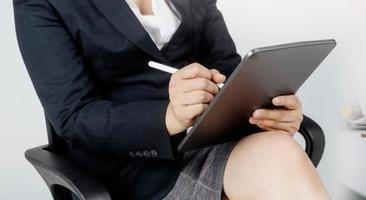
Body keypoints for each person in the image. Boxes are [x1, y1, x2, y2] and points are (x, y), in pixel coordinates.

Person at [14, 0, 329, 199]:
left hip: (215, 143)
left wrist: (271, 107)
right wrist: (170, 118)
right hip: (133, 172)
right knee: (277, 160)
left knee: (277, 151)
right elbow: (74, 116)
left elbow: (229, 68)